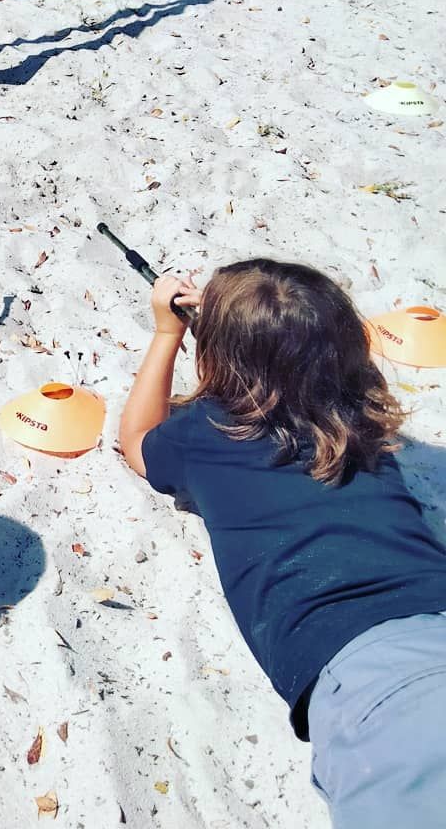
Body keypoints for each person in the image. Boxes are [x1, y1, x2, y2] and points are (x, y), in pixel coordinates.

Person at [118, 259, 446, 828]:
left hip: (375, 680)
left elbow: (137, 442)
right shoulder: (360, 416)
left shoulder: (203, 434)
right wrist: (239, 329)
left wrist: (168, 332)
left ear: (215, 358)